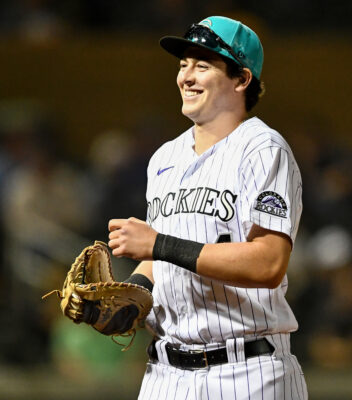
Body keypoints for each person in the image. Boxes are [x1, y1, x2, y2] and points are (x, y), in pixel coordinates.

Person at [108, 16, 308, 400]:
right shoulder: (164, 157)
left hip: (248, 371)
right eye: (183, 64)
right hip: (164, 374)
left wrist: (158, 244)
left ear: (241, 79)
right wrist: (130, 296)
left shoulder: (262, 149)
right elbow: (158, 257)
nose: (186, 76)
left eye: (202, 65)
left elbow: (267, 263)